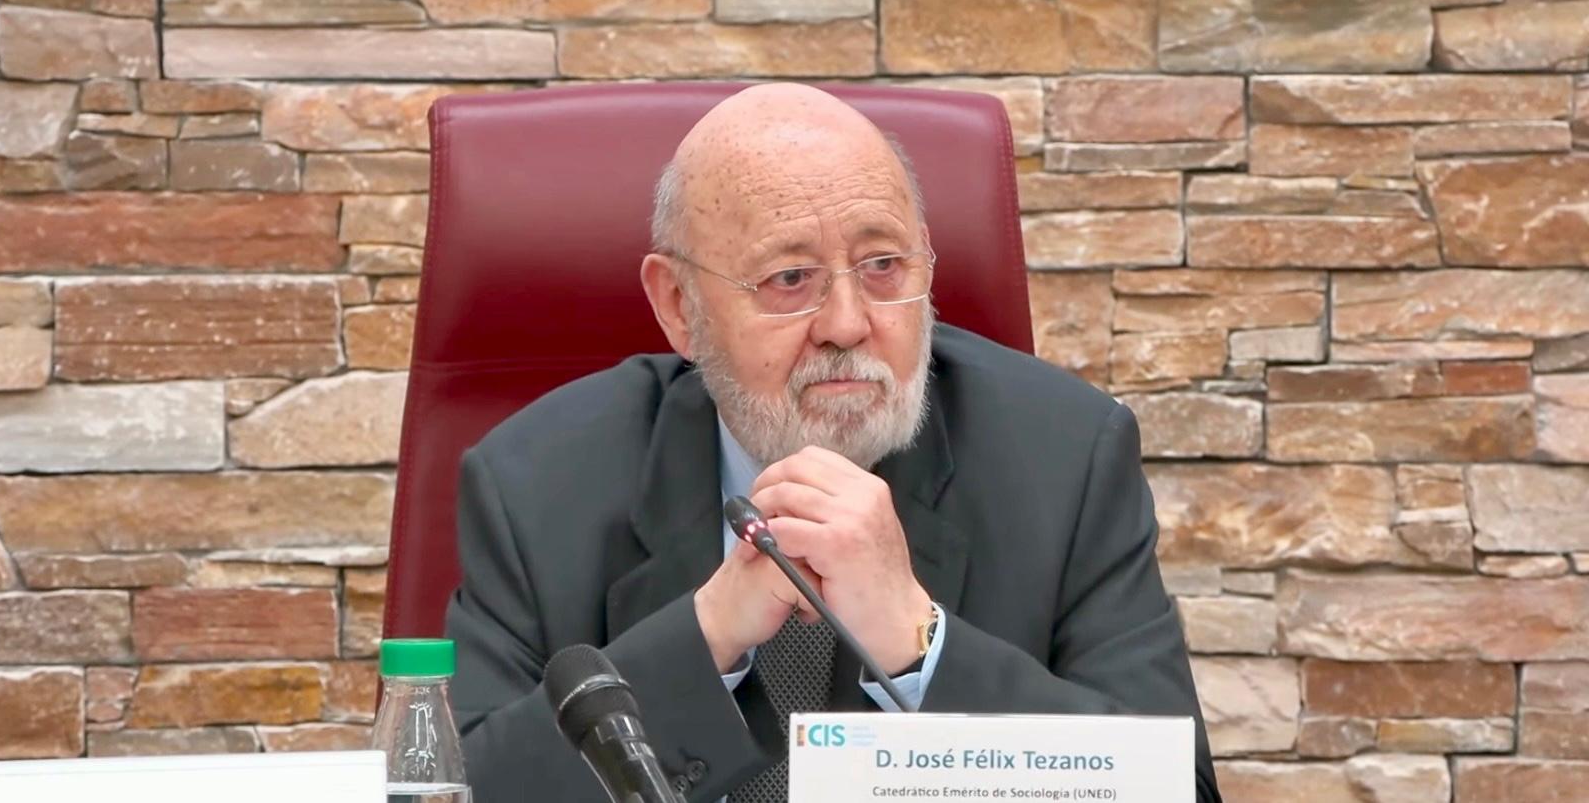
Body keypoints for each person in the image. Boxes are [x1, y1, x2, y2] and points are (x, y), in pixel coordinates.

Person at [445, 83, 1221, 802]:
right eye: (790, 278)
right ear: (679, 305)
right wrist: (706, 634)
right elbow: (458, 789)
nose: (847, 324)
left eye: (883, 266)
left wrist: (919, 643)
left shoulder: (1068, 457)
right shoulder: (533, 486)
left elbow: (1176, 789)